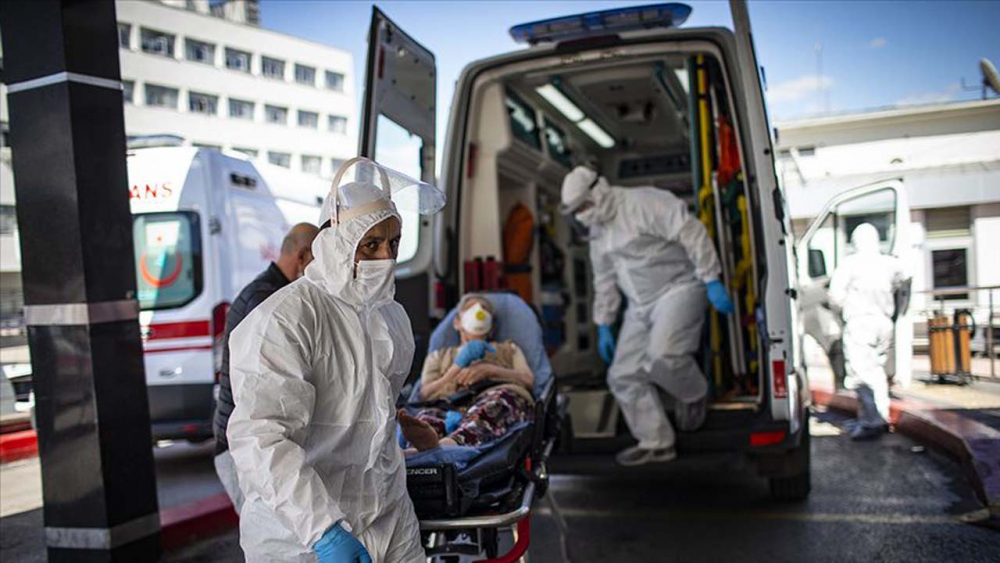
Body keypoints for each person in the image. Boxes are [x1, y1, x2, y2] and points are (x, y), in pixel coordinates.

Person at [227, 158, 444, 562]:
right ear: (340, 239)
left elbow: (378, 417)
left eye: (394, 243)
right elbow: (261, 438)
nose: (385, 256)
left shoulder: (391, 317)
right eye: (371, 243)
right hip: (299, 536)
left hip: (387, 516)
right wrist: (324, 532)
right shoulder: (285, 318)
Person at [560, 164, 734, 467]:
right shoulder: (598, 234)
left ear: (598, 191)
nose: (582, 215)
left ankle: (694, 394)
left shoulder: (642, 202)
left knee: (663, 357)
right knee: (622, 376)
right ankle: (656, 442)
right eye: (577, 212)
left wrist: (711, 278)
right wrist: (604, 324)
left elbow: (689, 230)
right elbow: (604, 281)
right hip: (639, 306)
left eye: (584, 206)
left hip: (678, 287)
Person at [213, 222, 319, 514]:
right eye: (318, 259)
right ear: (303, 256)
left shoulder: (276, 292)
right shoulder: (266, 301)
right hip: (246, 448)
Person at [398, 294, 535, 452]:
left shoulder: (508, 350)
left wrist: (491, 370)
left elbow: (528, 380)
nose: (478, 310)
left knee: (491, 408)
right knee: (427, 417)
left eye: (484, 308)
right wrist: (455, 369)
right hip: (450, 406)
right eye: (471, 307)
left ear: (491, 327)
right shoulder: (439, 357)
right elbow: (424, 394)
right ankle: (421, 446)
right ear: (457, 323)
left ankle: (440, 447)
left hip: (495, 397)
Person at [828, 222, 909, 441]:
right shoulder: (890, 264)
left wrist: (844, 310)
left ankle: (871, 422)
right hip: (884, 323)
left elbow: (834, 297)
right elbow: (906, 280)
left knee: (861, 375)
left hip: (860, 323)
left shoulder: (850, 264)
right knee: (877, 373)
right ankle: (878, 417)